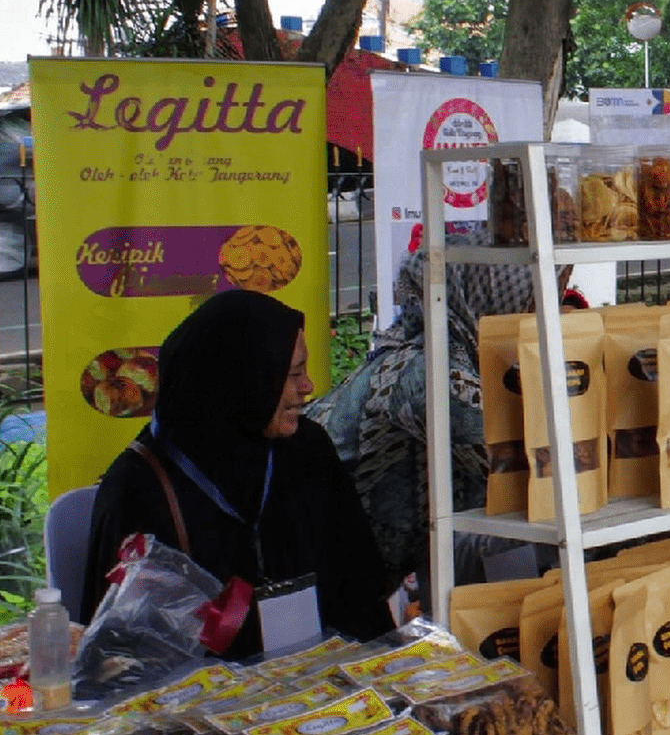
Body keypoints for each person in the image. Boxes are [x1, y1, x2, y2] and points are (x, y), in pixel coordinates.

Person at [83, 291, 396, 657]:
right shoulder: (139, 489)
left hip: (324, 688)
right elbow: (120, 660)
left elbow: (361, 600)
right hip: (196, 703)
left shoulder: (305, 451)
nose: (308, 387)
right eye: (293, 374)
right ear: (242, 378)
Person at [311, 242, 535, 587]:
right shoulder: (429, 372)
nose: (538, 313)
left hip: (368, 561)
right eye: (530, 300)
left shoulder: (464, 357)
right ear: (488, 299)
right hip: (321, 567)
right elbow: (518, 465)